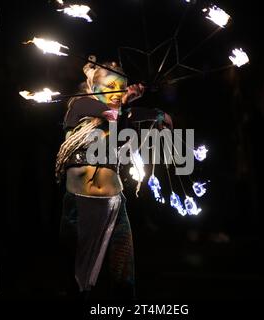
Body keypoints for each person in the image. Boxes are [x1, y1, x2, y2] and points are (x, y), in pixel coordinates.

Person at [56, 56, 172, 300]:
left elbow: (132, 117)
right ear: (93, 88)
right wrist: (131, 104)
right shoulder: (80, 107)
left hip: (115, 208)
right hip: (80, 207)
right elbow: (111, 115)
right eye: (109, 86)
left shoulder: (124, 115)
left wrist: (160, 115)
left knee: (122, 281)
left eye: (120, 86)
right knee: (74, 282)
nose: (116, 92)